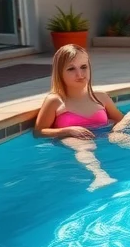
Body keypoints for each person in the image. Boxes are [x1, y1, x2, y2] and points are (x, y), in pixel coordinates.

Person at [33, 45, 124, 191]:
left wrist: (114, 130)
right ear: (59, 73)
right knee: (85, 146)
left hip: (103, 137)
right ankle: (100, 176)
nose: (80, 74)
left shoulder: (100, 97)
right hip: (73, 141)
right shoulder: (55, 100)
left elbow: (122, 121)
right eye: (71, 69)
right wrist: (67, 130)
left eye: (83, 67)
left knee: (125, 138)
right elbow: (39, 132)